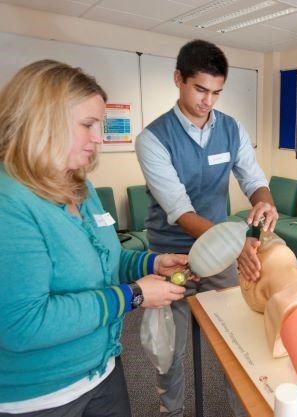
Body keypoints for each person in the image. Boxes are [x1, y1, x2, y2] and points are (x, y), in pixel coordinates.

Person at [0, 60, 187, 416]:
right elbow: (23, 324)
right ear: (42, 121)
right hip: (41, 397)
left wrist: (151, 262)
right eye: (87, 124)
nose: (98, 138)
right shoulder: (9, 202)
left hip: (102, 371)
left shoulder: (78, 184)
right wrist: (132, 295)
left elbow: (105, 256)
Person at [135, 39, 278, 417]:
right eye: (200, 89)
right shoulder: (153, 139)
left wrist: (265, 201)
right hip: (173, 257)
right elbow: (181, 211)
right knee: (170, 351)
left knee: (239, 342)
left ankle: (242, 408)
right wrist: (236, 243)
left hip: (222, 251)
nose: (208, 101)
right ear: (178, 79)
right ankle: (172, 411)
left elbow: (253, 179)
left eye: (216, 92)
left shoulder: (230, 129)